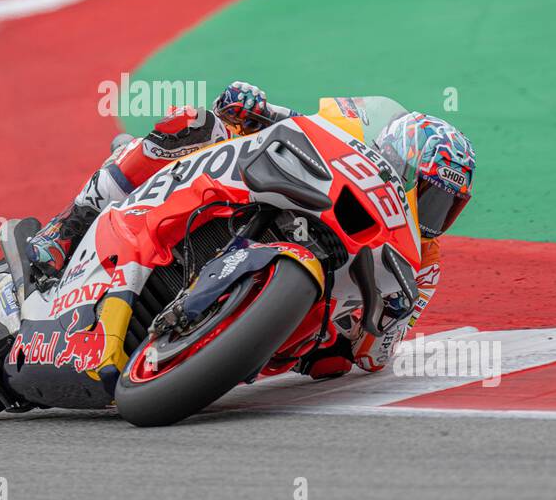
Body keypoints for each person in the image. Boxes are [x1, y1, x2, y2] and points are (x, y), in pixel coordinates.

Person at [27, 82, 477, 378]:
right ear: (401, 162)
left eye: (448, 204)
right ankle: (67, 226)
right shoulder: (355, 141)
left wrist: (389, 318)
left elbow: (374, 357)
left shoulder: (424, 258)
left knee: (333, 362)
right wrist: (259, 107)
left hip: (301, 323)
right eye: (432, 195)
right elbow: (312, 127)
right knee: (193, 122)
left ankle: (221, 338)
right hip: (262, 194)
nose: (437, 215)